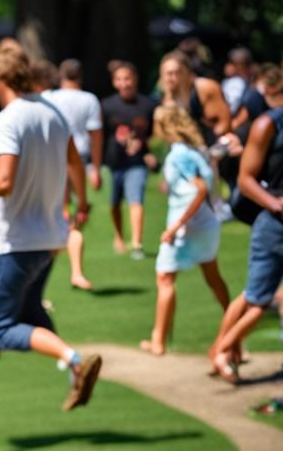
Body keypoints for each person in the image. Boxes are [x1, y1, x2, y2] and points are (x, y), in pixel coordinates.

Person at [0, 45, 101, 428]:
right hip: (52, 238)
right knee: (31, 313)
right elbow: (74, 161)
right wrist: (81, 201)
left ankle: (75, 360)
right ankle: (73, 369)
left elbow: (2, 182)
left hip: (18, 241)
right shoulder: (53, 112)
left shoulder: (7, 120)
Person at [139, 106, 230, 355]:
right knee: (212, 276)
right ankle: (233, 331)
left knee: (165, 278)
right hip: (207, 223)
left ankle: (158, 341)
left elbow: (199, 189)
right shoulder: (193, 150)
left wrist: (175, 226)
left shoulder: (178, 154)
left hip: (187, 225)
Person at [208, 91, 283, 381]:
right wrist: (275, 203)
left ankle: (224, 351)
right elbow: (245, 180)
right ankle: (222, 350)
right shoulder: (268, 124)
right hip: (273, 224)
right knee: (257, 299)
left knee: (254, 296)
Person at [42, 59, 103, 290]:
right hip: (78, 159)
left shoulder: (50, 97)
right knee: (73, 220)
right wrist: (96, 168)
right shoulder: (89, 99)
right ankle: (75, 271)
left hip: (53, 159)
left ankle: (67, 267)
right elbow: (96, 134)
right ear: (81, 76)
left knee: (63, 218)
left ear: (60, 75)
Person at [101, 60, 156, 258]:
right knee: (114, 203)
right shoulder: (107, 106)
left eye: (127, 79)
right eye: (119, 79)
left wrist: (149, 149)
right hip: (114, 162)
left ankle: (137, 243)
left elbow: (156, 134)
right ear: (114, 82)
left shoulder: (148, 104)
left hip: (137, 163)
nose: (124, 83)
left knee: (135, 200)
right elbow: (100, 136)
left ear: (135, 80)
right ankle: (118, 236)